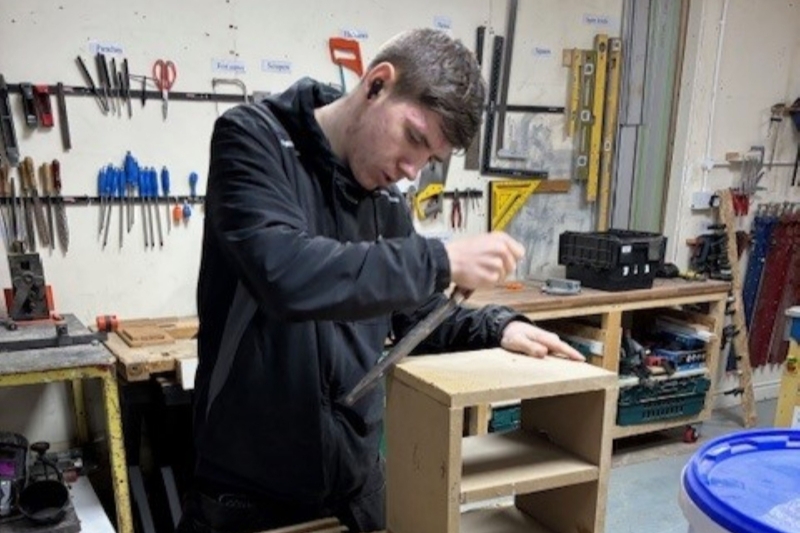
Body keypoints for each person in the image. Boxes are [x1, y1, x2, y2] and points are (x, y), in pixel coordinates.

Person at [178, 28, 583, 533]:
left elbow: (414, 313)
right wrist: (440, 259)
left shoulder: (385, 196)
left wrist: (496, 328)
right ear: (376, 85)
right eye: (414, 137)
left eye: (430, 159)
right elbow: (284, 275)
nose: (411, 171)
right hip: (250, 491)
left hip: (356, 483)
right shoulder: (253, 139)